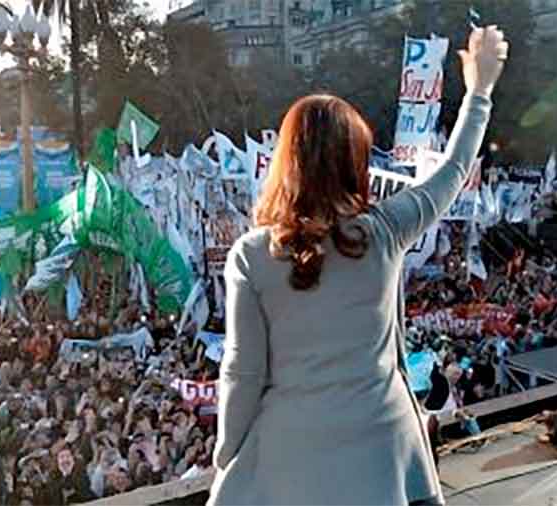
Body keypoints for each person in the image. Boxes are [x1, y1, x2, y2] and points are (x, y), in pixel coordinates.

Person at [208, 25, 507, 506]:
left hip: (288, 452)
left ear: (287, 162)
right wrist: (480, 91)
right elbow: (453, 172)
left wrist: (230, 457)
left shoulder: (251, 254)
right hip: (384, 449)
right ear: (356, 162)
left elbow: (242, 373)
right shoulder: (386, 230)